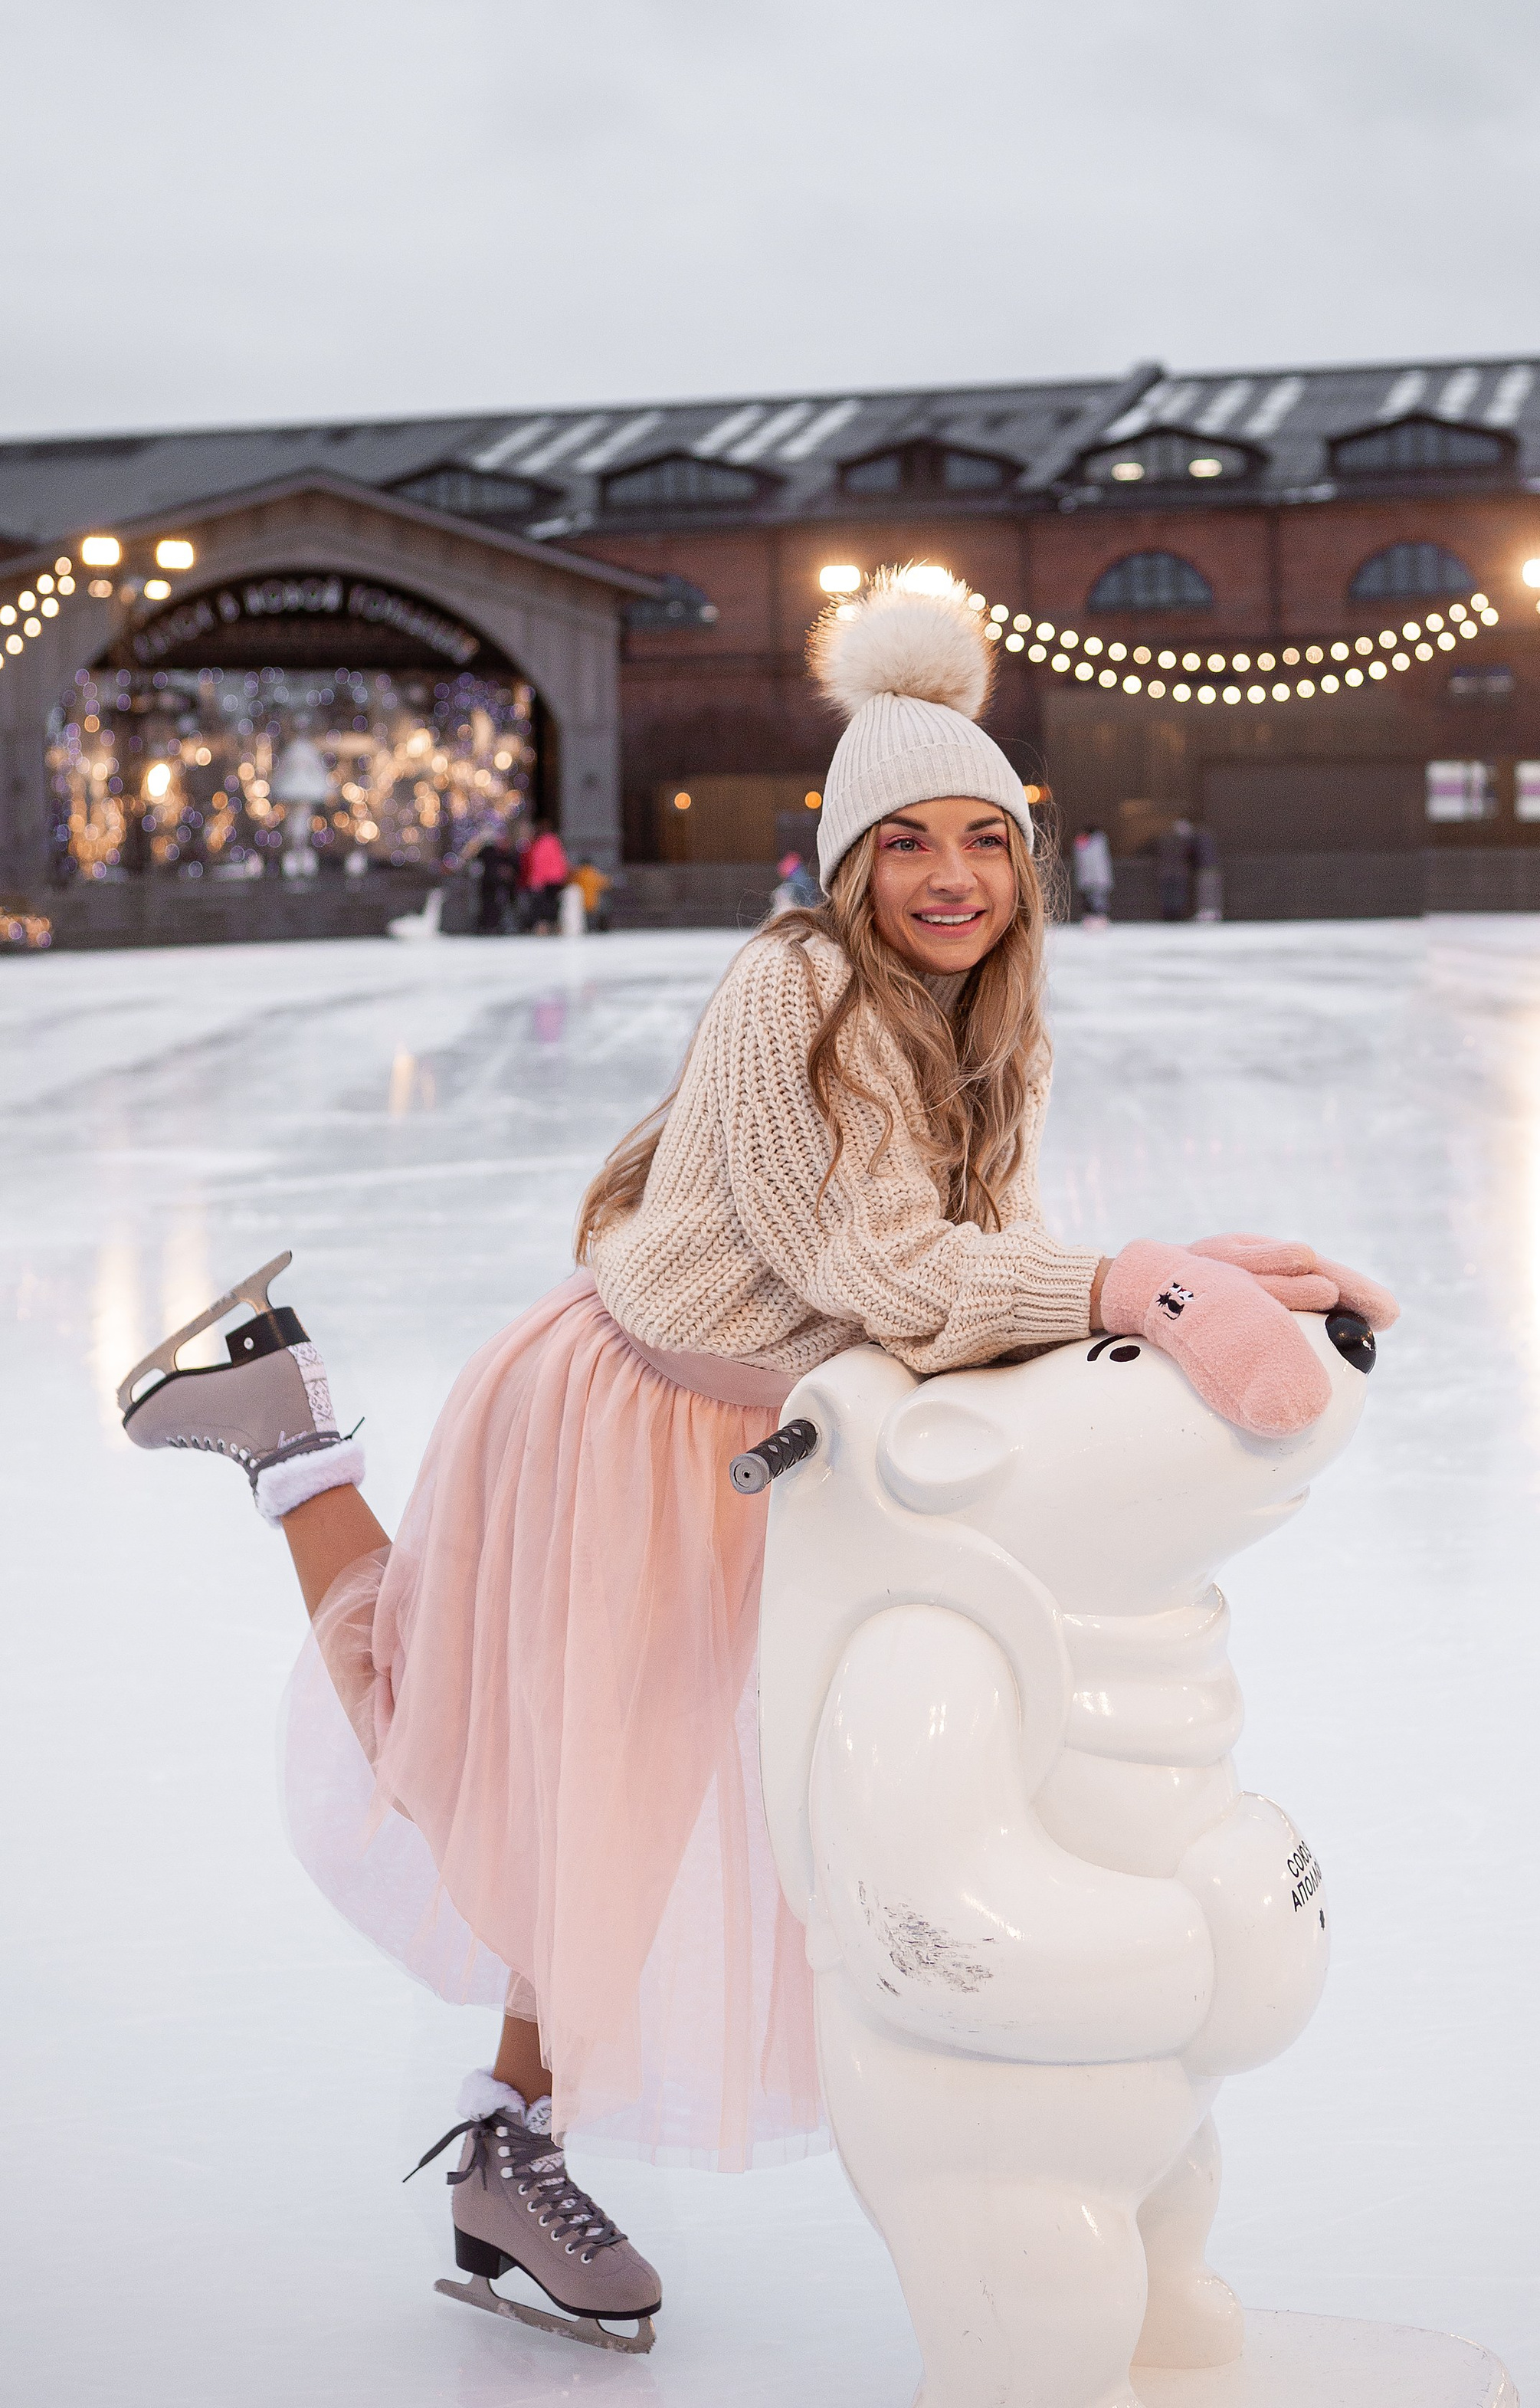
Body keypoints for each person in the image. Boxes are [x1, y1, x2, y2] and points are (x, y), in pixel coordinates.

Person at [116, 571, 1396, 2354]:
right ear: (842, 860)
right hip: (631, 1419)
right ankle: (289, 1445)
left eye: (983, 840)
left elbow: (970, 1267)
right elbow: (878, 1271)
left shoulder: (982, 1019)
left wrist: (1138, 1290)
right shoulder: (797, 985)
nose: (949, 875)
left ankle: (507, 2134)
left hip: (775, 1444)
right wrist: (1126, 1283)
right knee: (494, 1757)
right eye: (907, 843)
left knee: (623, 1794)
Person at [519, 821, 570, 931]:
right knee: (554, 902)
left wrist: (535, 879)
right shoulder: (555, 841)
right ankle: (555, 924)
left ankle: (544, 925)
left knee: (543, 903)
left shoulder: (540, 844)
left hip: (545, 879)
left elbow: (538, 863)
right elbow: (562, 860)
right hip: (557, 878)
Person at [1070, 824, 1114, 930]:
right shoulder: (1084, 842)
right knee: (1088, 901)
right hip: (1089, 879)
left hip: (1097, 879)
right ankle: (1091, 921)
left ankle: (1100, 921)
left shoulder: (1099, 842)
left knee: (1099, 901)